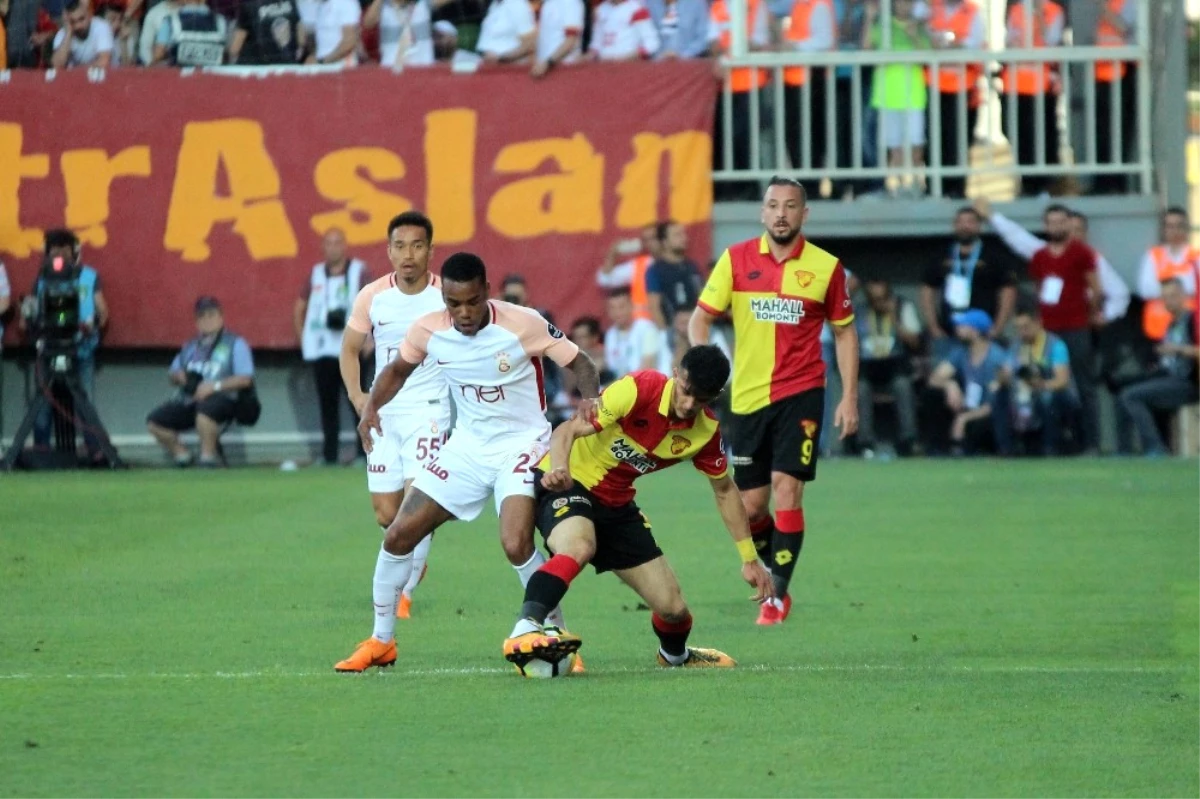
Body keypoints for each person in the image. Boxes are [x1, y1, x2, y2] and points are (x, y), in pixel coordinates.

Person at [334, 252, 601, 672]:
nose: (463, 313)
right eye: (454, 304)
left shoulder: (522, 323)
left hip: (522, 445)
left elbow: (579, 362)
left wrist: (592, 401)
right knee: (399, 534)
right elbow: (397, 371)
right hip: (466, 449)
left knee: (516, 543)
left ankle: (556, 635)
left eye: (472, 302)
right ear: (444, 297)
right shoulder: (428, 330)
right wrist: (369, 410)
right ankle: (381, 641)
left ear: (487, 293)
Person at [502, 347, 774, 670]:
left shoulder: (705, 432)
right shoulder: (637, 389)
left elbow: (725, 490)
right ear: (676, 373)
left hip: (617, 506)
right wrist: (559, 469)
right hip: (568, 482)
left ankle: (676, 657)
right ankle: (526, 628)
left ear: (715, 397)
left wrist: (749, 558)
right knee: (579, 546)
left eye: (701, 400)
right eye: (686, 391)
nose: (689, 405)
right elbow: (567, 430)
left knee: (673, 609)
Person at [689, 176, 859, 626]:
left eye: (790, 206)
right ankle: (770, 568)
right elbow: (700, 320)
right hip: (746, 399)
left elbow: (844, 331)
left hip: (802, 393)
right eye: (773, 205)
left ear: (805, 214)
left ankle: (777, 596)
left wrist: (850, 398)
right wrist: (703, 373)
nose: (781, 213)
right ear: (762, 213)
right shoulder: (736, 259)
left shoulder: (825, 267)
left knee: (788, 488)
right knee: (752, 507)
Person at [339, 211, 447, 619]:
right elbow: (350, 349)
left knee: (416, 504)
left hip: (430, 410)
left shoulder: (445, 296)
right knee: (387, 513)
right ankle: (415, 558)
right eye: (400, 246)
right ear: (388, 251)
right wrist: (358, 397)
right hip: (384, 413)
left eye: (417, 246)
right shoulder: (373, 296)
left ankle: (404, 592)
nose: (408, 255)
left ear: (431, 251)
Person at [976, 198, 1104, 453]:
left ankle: (1090, 442)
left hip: (1075, 326)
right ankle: (1050, 441)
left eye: (1061, 221)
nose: (1056, 226)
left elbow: (1096, 289)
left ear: (1069, 223)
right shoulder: (1040, 256)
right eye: (1051, 222)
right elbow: (1040, 290)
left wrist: (1089, 315)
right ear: (1045, 225)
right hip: (1046, 330)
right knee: (1041, 381)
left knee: (1082, 385)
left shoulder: (1082, 253)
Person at [146, 297, 257, 467]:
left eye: (211, 315)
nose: (207, 320)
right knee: (155, 421)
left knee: (205, 412)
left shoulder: (235, 343)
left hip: (225, 398)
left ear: (221, 317)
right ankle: (182, 455)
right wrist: (180, 377)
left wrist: (214, 387)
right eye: (202, 316)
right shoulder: (190, 346)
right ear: (196, 321)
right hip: (191, 399)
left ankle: (208, 458)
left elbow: (245, 379)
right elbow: (173, 373)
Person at [28, 229, 109, 461]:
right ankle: (41, 448)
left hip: (80, 348)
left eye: (65, 249)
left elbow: (103, 312)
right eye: (55, 250)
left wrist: (92, 324)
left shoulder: (89, 277)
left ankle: (95, 448)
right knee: (42, 399)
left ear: (74, 252)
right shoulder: (42, 279)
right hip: (48, 349)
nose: (60, 254)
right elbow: (31, 312)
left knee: (84, 400)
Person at [296, 228, 369, 466]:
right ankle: (329, 455)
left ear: (345, 245)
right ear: (322, 247)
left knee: (358, 401)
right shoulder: (316, 274)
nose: (333, 248)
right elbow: (300, 306)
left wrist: (372, 339)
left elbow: (377, 304)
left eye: (338, 242)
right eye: (329, 243)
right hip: (324, 349)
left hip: (353, 347)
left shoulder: (359, 271)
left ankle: (364, 452)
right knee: (327, 405)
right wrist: (303, 338)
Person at [920, 206, 1018, 361]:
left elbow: (1008, 291)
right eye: (960, 222)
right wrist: (933, 327)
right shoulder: (942, 254)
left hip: (983, 334)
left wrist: (998, 327)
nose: (965, 226)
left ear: (979, 226)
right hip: (948, 333)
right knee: (944, 379)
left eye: (970, 222)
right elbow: (927, 290)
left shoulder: (993, 256)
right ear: (954, 225)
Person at [1118, 279, 1199, 457]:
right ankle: (1124, 448)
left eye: (1173, 296)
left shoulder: (1193, 320)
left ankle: (1155, 447)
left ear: (1184, 296)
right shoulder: (1171, 325)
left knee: (1131, 396)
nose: (1169, 301)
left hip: (1189, 381)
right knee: (1123, 389)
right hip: (1169, 376)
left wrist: (1178, 349)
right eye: (1165, 297)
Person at [925, 308, 1010, 455]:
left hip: (986, 416)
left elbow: (993, 404)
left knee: (978, 426)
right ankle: (937, 450)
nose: (957, 329)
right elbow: (934, 378)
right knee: (932, 394)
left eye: (962, 326)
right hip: (966, 408)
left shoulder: (995, 358)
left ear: (975, 331)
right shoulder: (961, 352)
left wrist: (964, 419)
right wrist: (950, 385)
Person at [854, 277, 921, 457]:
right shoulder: (858, 310)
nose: (877, 302)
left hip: (895, 365)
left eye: (881, 297)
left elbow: (914, 342)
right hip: (867, 367)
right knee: (860, 388)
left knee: (902, 386)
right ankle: (864, 443)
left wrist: (893, 317)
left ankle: (909, 440)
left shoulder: (902, 307)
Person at [1005, 304, 1078, 455]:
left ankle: (1050, 447)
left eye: (1026, 327)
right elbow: (1008, 370)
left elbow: (1062, 380)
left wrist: (1041, 385)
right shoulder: (1016, 346)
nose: (1022, 332)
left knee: (1046, 398)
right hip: (1026, 391)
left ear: (1038, 323)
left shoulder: (1055, 345)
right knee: (1002, 395)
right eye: (1018, 328)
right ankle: (1008, 448)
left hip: (1057, 393)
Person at [1136, 207, 1197, 342]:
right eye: (1170, 226)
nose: (1174, 231)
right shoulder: (1152, 256)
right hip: (1158, 330)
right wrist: (1183, 287)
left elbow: (1196, 288)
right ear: (1163, 230)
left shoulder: (1196, 257)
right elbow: (1145, 289)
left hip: (1189, 332)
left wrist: (1163, 285)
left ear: (1186, 229)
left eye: (1179, 226)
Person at [645, 220, 704, 330]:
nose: (684, 238)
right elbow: (654, 308)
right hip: (672, 333)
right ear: (664, 242)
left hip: (695, 330)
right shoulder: (655, 271)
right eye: (677, 235)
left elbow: (703, 299)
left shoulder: (692, 267)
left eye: (683, 234)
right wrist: (665, 335)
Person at [229, 0, 305, 64]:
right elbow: (301, 36)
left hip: (260, 68)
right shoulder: (290, 2)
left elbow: (235, 48)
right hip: (288, 64)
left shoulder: (250, 5)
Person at [51, 0, 114, 69]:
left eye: (81, 19)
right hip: (73, 78)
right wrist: (68, 33)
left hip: (100, 77)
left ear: (90, 15)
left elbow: (104, 62)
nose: (78, 26)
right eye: (73, 21)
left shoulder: (101, 26)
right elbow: (57, 66)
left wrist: (75, 72)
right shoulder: (62, 33)